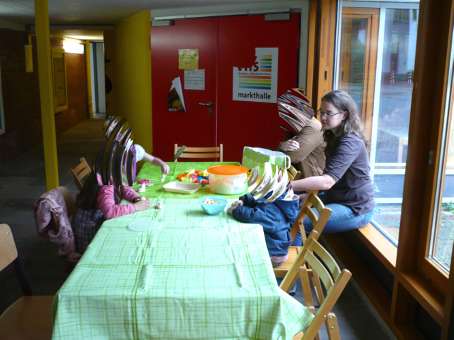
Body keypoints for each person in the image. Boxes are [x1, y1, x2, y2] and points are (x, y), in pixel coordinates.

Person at [291, 90, 374, 235]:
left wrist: (288, 186)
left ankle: (293, 256)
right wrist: (304, 195)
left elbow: (327, 181)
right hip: (336, 197)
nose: (322, 117)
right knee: (287, 207)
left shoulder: (350, 142)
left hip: (354, 208)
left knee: (296, 221)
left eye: (329, 113)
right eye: (321, 112)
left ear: (344, 115)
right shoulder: (333, 135)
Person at [72, 172, 149, 253]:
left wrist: (135, 198)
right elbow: (110, 212)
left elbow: (123, 188)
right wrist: (135, 207)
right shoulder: (106, 185)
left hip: (96, 219)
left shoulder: (107, 174)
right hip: (90, 242)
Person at [228, 188, 300, 267]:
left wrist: (236, 210)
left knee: (240, 256)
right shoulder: (277, 203)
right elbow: (259, 200)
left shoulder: (273, 212)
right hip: (273, 245)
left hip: (273, 253)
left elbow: (252, 216)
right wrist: (245, 199)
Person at [277, 88, 325, 178]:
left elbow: (292, 157)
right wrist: (282, 146)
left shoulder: (313, 127)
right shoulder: (297, 126)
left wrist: (281, 147)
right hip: (300, 181)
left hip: (313, 185)